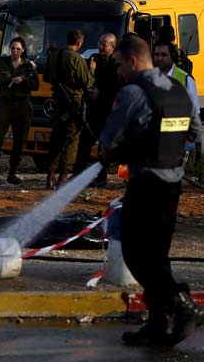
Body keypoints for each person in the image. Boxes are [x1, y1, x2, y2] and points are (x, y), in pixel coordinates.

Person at [99, 33, 204, 346]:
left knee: (135, 251)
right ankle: (160, 322)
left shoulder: (132, 91)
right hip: (171, 184)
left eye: (118, 64)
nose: (117, 71)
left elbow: (108, 138)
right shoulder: (178, 88)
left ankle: (182, 305)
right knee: (156, 255)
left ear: (132, 60)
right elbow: (196, 132)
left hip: (146, 183)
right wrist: (169, 149)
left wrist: (119, 150)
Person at [0, 37, 39, 186]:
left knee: (19, 143)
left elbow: (35, 85)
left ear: (23, 50)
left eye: (18, 49)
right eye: (13, 48)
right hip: (4, 106)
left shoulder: (28, 66)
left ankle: (12, 174)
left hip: (22, 106)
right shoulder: (1, 62)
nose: (15, 51)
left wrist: (24, 80)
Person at [43, 28, 95, 189]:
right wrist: (91, 69)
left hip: (58, 103)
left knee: (56, 140)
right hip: (74, 104)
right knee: (71, 141)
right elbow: (87, 82)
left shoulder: (53, 56)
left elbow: (46, 77)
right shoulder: (76, 59)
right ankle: (63, 178)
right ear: (79, 43)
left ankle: (50, 176)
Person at [74, 33, 119, 187]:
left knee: (103, 147)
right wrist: (91, 73)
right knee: (84, 143)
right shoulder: (93, 59)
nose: (100, 47)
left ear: (112, 47)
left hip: (107, 110)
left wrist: (101, 93)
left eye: (104, 44)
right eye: (99, 43)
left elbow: (117, 87)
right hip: (92, 109)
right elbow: (85, 78)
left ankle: (101, 177)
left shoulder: (116, 64)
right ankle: (78, 175)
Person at [153, 41, 198, 116]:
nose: (159, 58)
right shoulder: (149, 78)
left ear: (172, 56)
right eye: (157, 55)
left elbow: (195, 113)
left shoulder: (186, 79)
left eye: (164, 55)